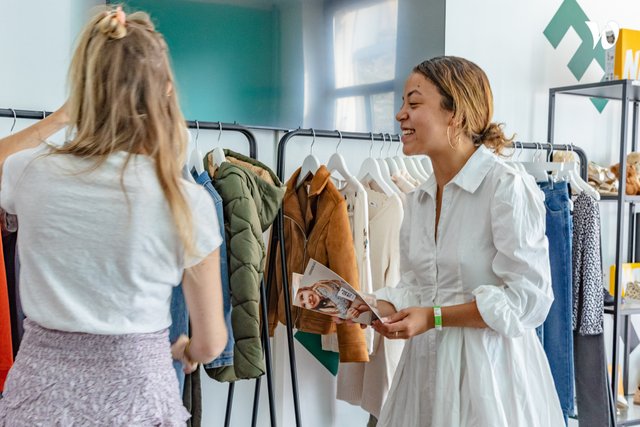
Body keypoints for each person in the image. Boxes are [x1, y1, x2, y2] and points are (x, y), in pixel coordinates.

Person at [0, 7, 226, 425]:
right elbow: (212, 342)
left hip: (40, 403)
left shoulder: (28, 172)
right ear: (166, 92)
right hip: (140, 403)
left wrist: (61, 117)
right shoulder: (185, 200)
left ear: (83, 89)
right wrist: (187, 353)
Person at [350, 56, 565, 426]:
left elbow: (530, 299)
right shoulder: (418, 197)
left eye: (414, 103)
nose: (400, 114)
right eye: (403, 103)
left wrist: (435, 317)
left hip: (491, 381)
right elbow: (419, 286)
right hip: (424, 374)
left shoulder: (505, 187)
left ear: (456, 114)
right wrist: (375, 305)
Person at [295, 279, 366, 319]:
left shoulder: (320, 288)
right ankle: (363, 309)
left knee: (355, 305)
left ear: (306, 289)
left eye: (302, 297)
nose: (307, 301)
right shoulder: (322, 306)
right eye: (304, 305)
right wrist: (341, 318)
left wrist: (346, 316)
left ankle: (364, 308)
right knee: (352, 313)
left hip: (354, 294)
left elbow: (344, 303)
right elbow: (338, 311)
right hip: (352, 300)